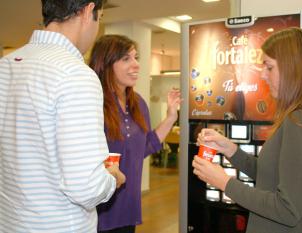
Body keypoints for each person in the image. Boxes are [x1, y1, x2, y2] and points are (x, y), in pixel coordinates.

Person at [192, 27, 302, 233]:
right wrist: (230, 149)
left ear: (294, 69)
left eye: (269, 67)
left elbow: (287, 209)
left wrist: (225, 182)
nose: (262, 75)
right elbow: (272, 176)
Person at [0, 0, 125, 232]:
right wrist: (112, 178)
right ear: (88, 11)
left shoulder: (5, 66)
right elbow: (85, 187)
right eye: (101, 16)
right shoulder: (76, 75)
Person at [88, 34, 181, 233]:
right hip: (97, 210)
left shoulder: (138, 103)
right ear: (105, 63)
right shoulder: (92, 101)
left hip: (128, 207)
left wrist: (171, 117)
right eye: (126, 59)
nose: (136, 64)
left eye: (136, 57)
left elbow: (145, 147)